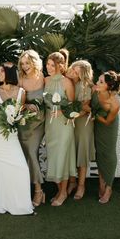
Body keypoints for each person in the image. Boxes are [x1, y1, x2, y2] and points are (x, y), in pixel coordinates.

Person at [0, 62, 34, 215]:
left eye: (1, 71)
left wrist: (17, 117)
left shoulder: (21, 92)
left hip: (11, 135)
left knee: (21, 167)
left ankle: (20, 203)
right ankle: (2, 202)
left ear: (8, 73)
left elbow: (19, 111)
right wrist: (1, 120)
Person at [44, 52, 76, 206]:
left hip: (64, 124)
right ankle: (60, 190)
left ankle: (63, 193)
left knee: (62, 157)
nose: (49, 67)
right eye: (47, 64)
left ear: (61, 66)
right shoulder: (45, 80)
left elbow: (72, 104)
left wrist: (62, 110)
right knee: (54, 157)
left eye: (52, 65)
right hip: (50, 125)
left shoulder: (67, 82)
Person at [18, 50, 45, 207]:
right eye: (22, 63)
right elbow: (18, 102)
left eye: (27, 63)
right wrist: (26, 105)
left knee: (32, 152)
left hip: (40, 123)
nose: (25, 66)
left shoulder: (43, 77)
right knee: (26, 154)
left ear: (34, 62)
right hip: (25, 123)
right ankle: (30, 189)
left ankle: (38, 190)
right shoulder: (20, 79)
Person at [93, 70, 120, 204]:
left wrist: (93, 114)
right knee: (99, 153)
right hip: (97, 126)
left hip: (108, 127)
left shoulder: (114, 103)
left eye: (101, 82)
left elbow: (107, 122)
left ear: (109, 86)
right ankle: (101, 184)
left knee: (109, 154)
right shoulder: (96, 91)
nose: (97, 83)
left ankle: (109, 187)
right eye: (98, 80)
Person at [66, 60, 95, 200]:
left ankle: (81, 185)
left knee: (81, 151)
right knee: (71, 150)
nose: (72, 72)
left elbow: (85, 107)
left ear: (83, 74)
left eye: (76, 72)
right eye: (72, 69)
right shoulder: (67, 81)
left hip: (83, 122)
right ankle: (72, 182)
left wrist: (73, 115)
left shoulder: (86, 86)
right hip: (70, 121)